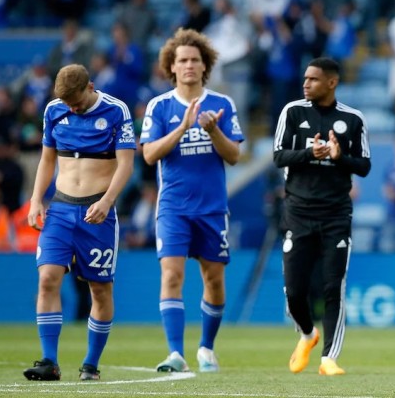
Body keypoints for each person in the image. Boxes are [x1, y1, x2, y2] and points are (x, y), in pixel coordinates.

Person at [23, 64, 136, 381]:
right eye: (67, 103)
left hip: (97, 211)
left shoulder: (116, 110)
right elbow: (47, 159)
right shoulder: (54, 110)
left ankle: (90, 363)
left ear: (91, 86)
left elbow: (126, 164)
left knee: (99, 289)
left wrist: (107, 201)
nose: (72, 108)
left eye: (76, 102)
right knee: (47, 279)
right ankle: (48, 361)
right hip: (60, 207)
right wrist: (35, 200)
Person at [140, 28, 243, 373]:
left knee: (213, 279)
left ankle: (206, 348)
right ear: (171, 66)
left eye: (194, 60)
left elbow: (235, 156)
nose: (188, 66)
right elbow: (150, 154)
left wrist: (213, 130)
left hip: (212, 207)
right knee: (171, 275)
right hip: (173, 207)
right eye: (181, 60)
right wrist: (182, 128)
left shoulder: (223, 104)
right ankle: (175, 354)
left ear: (205, 66)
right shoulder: (160, 105)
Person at [273, 57, 371, 376]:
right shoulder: (292, 112)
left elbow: (364, 166)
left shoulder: (353, 119)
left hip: (335, 214)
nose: (306, 84)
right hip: (298, 213)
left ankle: (329, 357)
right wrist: (308, 154)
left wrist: (340, 157)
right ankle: (307, 334)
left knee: (333, 287)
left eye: (313, 79)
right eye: (305, 79)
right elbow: (278, 156)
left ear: (332, 82)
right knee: (294, 292)